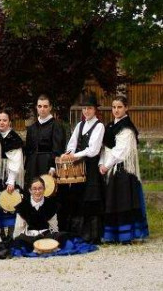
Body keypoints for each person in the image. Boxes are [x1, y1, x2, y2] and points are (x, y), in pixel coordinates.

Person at [100, 95, 149, 243]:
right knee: (112, 202)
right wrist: (101, 164)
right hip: (110, 169)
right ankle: (113, 235)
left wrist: (106, 165)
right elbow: (104, 148)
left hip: (123, 171)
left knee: (123, 202)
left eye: (119, 107)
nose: (116, 110)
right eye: (114, 107)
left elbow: (120, 152)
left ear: (126, 108)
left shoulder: (127, 128)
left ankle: (126, 235)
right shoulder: (110, 126)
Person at [62, 93, 105, 243]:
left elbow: (93, 150)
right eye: (84, 108)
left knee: (91, 200)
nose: (86, 111)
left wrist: (74, 156)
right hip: (78, 168)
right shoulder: (80, 125)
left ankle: (92, 236)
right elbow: (72, 143)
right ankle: (79, 234)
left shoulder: (99, 126)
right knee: (78, 198)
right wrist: (68, 153)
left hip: (91, 168)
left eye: (89, 108)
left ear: (95, 110)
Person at [24, 94, 66, 187]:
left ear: (50, 107)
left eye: (45, 106)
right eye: (40, 106)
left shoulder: (57, 126)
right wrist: (27, 168)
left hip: (47, 165)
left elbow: (58, 149)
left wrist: (53, 167)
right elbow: (28, 150)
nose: (42, 109)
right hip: (32, 167)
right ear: (36, 107)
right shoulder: (32, 128)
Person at [0, 109, 25, 235]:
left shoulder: (14, 139)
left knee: (10, 203)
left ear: (9, 123)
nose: (2, 123)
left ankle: (12, 234)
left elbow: (16, 161)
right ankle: (0, 233)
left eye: (5, 120)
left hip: (10, 175)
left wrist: (11, 181)